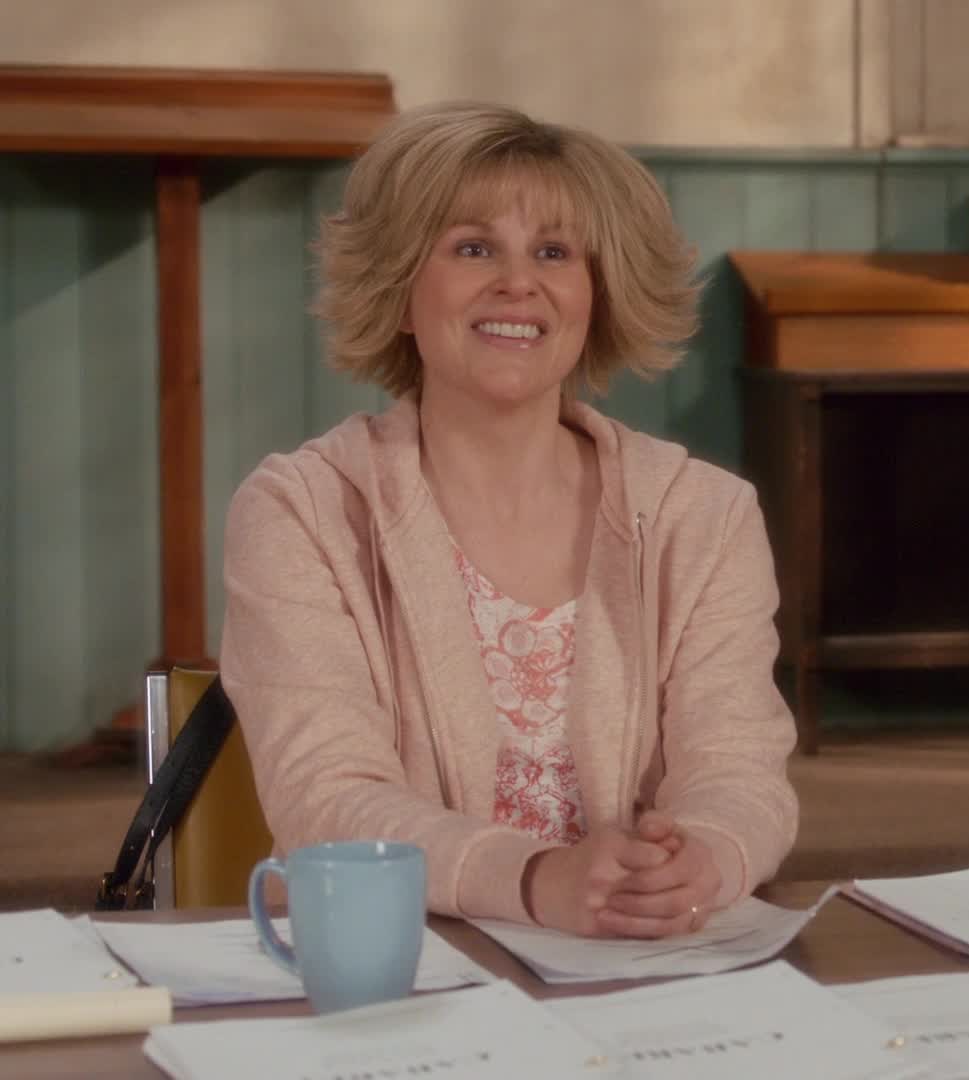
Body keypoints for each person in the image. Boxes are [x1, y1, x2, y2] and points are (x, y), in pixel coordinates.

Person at [220, 101, 797, 937]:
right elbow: (327, 797)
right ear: (400, 291)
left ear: (596, 297)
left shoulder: (704, 515)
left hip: (642, 964)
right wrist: (535, 880)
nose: (518, 283)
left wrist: (701, 859)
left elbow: (739, 769)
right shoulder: (300, 512)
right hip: (395, 959)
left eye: (554, 252)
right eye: (473, 247)